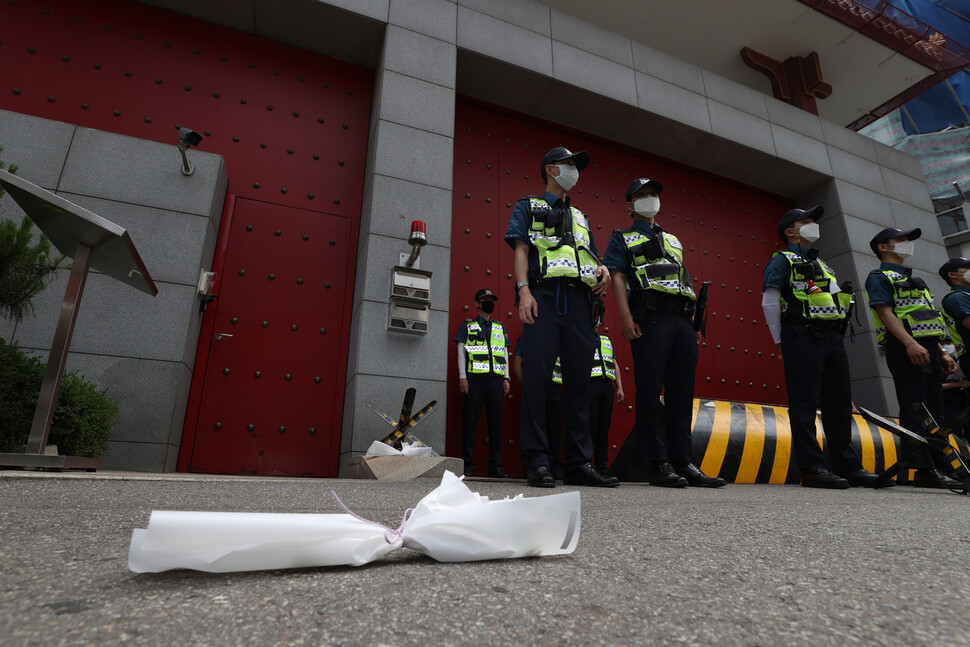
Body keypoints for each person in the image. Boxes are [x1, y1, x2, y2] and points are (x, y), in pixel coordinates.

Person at [504, 146, 618, 488]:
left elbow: (590, 255)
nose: (574, 170)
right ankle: (538, 461)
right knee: (538, 380)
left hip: (581, 303)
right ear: (551, 170)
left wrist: (604, 270)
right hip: (545, 298)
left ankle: (579, 463)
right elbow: (522, 249)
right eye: (568, 165)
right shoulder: (528, 205)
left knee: (579, 384)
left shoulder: (581, 216)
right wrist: (524, 291)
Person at [604, 177, 725, 488]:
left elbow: (680, 279)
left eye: (653, 194)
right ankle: (658, 463)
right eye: (642, 195)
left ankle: (684, 461)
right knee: (648, 391)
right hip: (651, 319)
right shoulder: (623, 237)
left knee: (681, 393)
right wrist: (626, 318)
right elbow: (617, 278)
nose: (650, 198)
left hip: (681, 321)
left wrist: (691, 323)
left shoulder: (673, 240)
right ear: (630, 205)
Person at [761, 206, 879, 489]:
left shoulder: (823, 264)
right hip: (801, 335)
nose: (814, 226)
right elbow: (769, 301)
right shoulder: (781, 260)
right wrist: (782, 341)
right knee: (804, 404)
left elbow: (835, 297)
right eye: (807, 222)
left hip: (831, 338)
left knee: (839, 401)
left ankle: (847, 465)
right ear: (791, 231)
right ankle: (812, 468)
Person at [866, 228, 960, 488]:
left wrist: (940, 352)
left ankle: (942, 465)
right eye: (902, 240)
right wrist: (909, 343)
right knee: (915, 409)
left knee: (936, 411)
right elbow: (886, 314)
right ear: (883, 247)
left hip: (928, 349)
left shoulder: (916, 280)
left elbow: (928, 319)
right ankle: (922, 470)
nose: (907, 244)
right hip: (906, 348)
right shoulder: (879, 277)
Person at [454, 288, 510, 478]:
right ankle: (468, 466)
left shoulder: (500, 327)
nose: (489, 303)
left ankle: (496, 467)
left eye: (491, 299)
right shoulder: (467, 325)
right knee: (469, 424)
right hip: (474, 379)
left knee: (496, 425)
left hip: (495, 380)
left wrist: (506, 377)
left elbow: (504, 352)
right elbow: (461, 351)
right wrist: (463, 377)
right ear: (477, 303)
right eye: (485, 300)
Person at [512, 338, 564, 478]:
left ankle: (555, 469)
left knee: (555, 430)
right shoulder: (526, 338)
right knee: (534, 427)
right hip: (535, 388)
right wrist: (528, 387)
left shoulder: (558, 339)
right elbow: (517, 365)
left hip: (555, 388)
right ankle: (534, 467)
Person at [588, 307, 625, 473]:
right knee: (590, 427)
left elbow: (614, 363)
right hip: (591, 384)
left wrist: (620, 387)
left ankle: (602, 468)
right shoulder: (583, 337)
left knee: (603, 429)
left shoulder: (606, 340)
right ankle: (587, 464)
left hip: (607, 387)